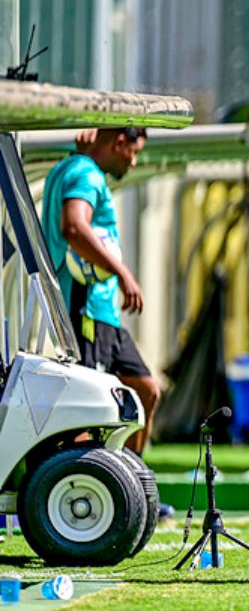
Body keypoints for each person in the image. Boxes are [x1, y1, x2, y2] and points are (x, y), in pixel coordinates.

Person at [41, 128, 162, 458]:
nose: (134, 162)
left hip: (100, 312)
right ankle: (84, 486)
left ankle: (135, 481)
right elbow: (74, 227)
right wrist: (124, 274)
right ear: (118, 142)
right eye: (133, 152)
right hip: (85, 310)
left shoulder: (74, 167)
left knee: (146, 391)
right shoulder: (86, 173)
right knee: (89, 410)